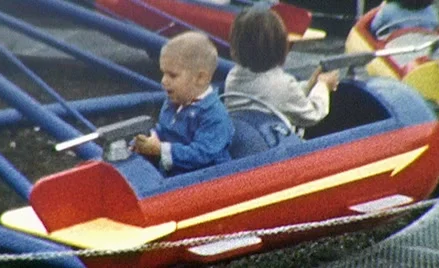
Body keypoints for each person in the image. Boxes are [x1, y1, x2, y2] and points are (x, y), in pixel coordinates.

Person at [224, 7, 339, 137]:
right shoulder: (282, 84)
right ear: (281, 47)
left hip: (248, 140)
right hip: (279, 148)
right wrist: (323, 86)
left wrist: (311, 84)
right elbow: (312, 114)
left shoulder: (233, 76)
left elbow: (278, 97)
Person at [132, 31, 235, 176]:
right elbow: (164, 130)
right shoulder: (174, 101)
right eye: (163, 73)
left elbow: (201, 155)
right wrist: (149, 139)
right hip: (173, 175)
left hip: (205, 181)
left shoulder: (215, 116)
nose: (163, 81)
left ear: (200, 78)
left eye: (172, 75)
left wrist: (160, 149)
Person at [370, 0, 439, 38]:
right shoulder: (432, 12)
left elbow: (374, 27)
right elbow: (435, 27)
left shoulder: (388, 10)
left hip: (394, 52)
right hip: (423, 53)